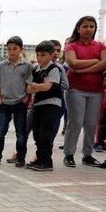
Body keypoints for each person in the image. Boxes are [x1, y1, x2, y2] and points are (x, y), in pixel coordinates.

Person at [63, 16, 106, 167]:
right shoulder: (71, 46)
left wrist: (81, 70)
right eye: (85, 26)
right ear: (78, 28)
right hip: (75, 90)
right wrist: (95, 61)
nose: (89, 29)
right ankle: (69, 154)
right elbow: (72, 63)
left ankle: (87, 155)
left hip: (96, 91)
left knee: (91, 124)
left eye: (91, 26)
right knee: (75, 121)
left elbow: (105, 64)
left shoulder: (101, 46)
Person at [0, 36, 32, 167]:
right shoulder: (1, 65)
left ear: (21, 49)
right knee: (0, 132)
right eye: (9, 49)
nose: (12, 51)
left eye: (15, 48)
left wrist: (26, 99)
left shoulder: (27, 66)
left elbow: (29, 85)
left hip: (20, 104)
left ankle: (20, 158)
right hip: (4, 104)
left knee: (21, 133)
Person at [25, 41, 63, 171]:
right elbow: (29, 89)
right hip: (39, 104)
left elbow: (48, 87)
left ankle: (47, 162)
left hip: (51, 104)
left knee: (45, 133)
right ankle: (39, 159)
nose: (39, 58)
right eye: (38, 55)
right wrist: (39, 86)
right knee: (36, 134)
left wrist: (37, 86)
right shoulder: (36, 68)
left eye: (43, 55)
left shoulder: (54, 69)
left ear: (51, 55)